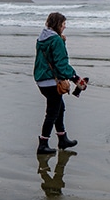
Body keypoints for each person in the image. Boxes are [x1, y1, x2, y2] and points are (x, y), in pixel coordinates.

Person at [33, 12, 87, 154]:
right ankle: (43, 144)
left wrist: (61, 40)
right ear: (58, 25)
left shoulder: (42, 38)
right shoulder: (56, 40)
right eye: (63, 24)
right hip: (50, 80)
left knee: (59, 108)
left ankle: (62, 139)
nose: (65, 26)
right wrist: (75, 78)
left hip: (41, 79)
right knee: (52, 112)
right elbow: (61, 64)